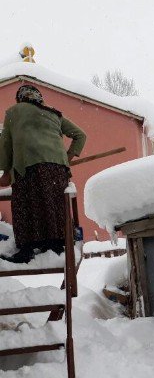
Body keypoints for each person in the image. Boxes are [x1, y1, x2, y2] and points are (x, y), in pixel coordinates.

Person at [0, 84, 86, 263]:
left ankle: (26, 250)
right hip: (58, 169)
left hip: (29, 165)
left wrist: (5, 171)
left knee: (25, 205)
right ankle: (54, 245)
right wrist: (67, 157)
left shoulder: (13, 112)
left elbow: (6, 144)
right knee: (52, 204)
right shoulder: (54, 113)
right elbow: (80, 135)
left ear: (20, 98)